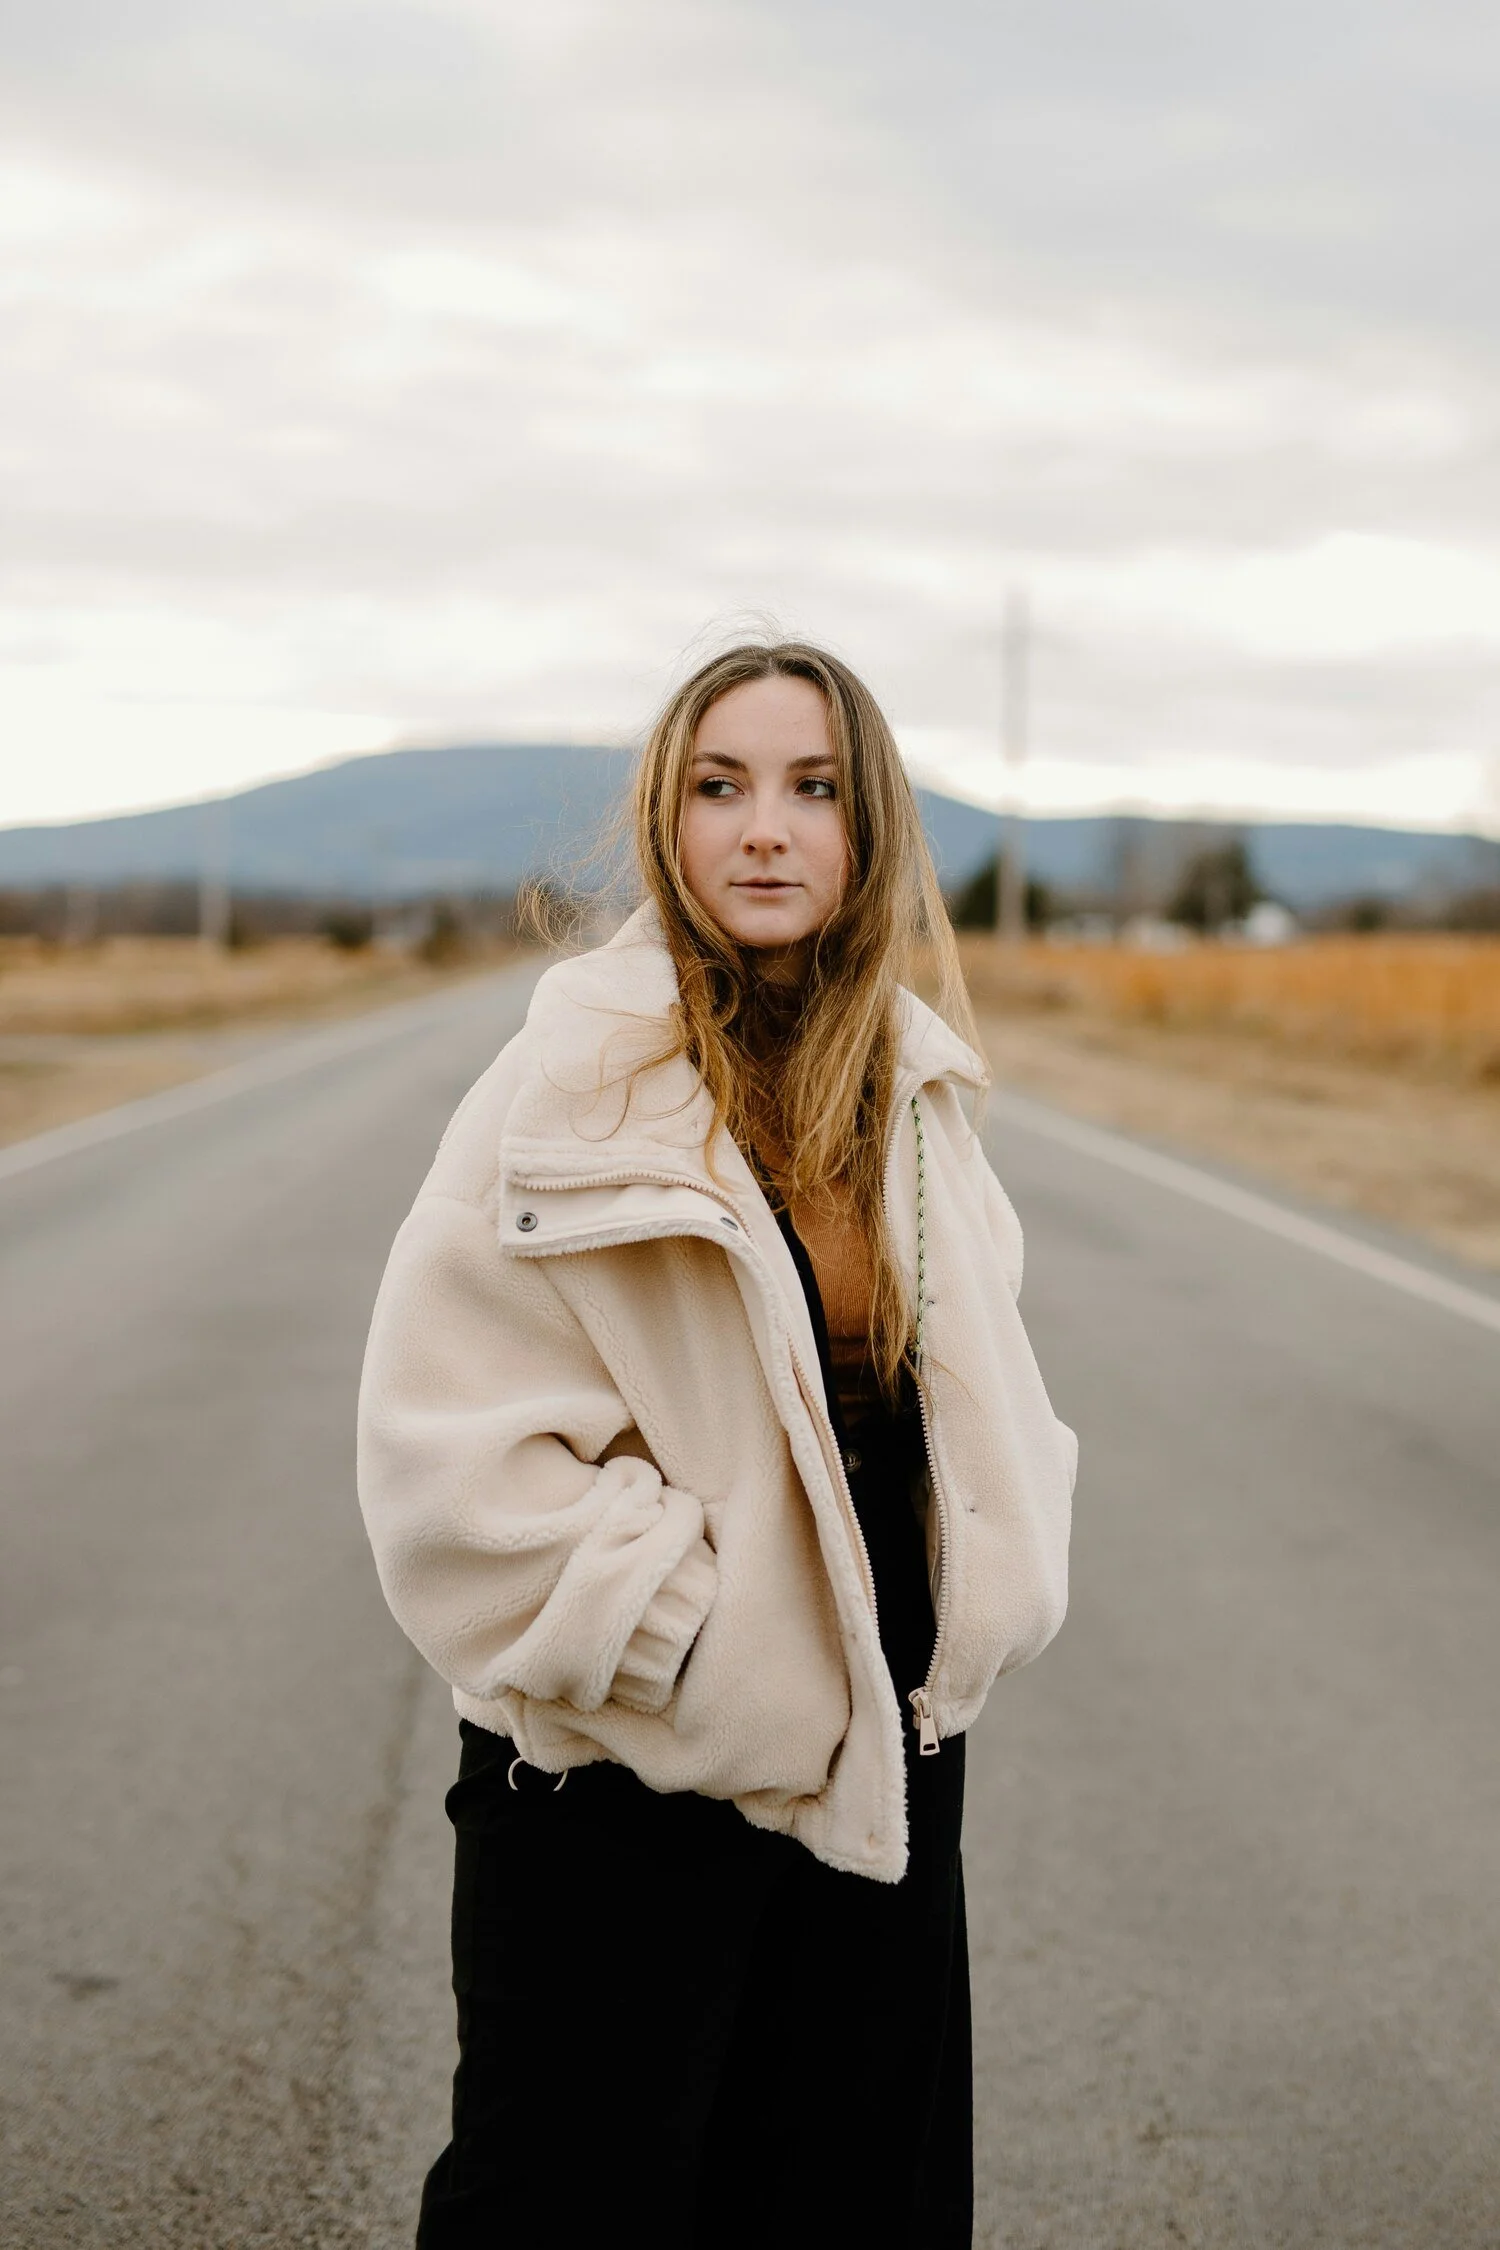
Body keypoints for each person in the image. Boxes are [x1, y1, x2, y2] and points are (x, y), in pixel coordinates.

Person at [356, 641, 1077, 2249]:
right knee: (569, 2198)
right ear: (667, 822)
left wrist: (994, 1577)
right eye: (722, 785)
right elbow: (444, 1461)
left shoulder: (912, 1085)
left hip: (887, 1741)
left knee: (847, 2193)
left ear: (866, 827)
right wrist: (684, 1640)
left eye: (814, 788)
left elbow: (976, 1387)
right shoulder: (564, 1081)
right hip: (621, 1760)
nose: (768, 828)